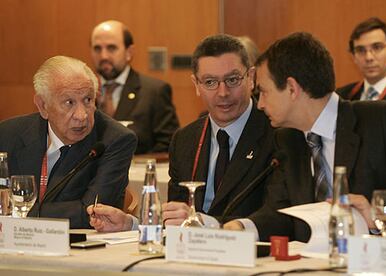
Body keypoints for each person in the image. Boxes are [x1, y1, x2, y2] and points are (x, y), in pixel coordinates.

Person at [224, 32, 386, 241]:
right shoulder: (288, 140)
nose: (259, 104)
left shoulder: (380, 121)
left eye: (263, 92)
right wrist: (241, 227)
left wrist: (378, 217)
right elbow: (281, 213)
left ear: (292, 88)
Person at [87, 34, 276, 232]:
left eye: (232, 79)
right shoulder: (185, 140)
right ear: (196, 84)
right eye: (210, 82)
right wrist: (130, 224)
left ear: (251, 78)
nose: (223, 92)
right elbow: (175, 218)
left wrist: (210, 224)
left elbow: (276, 217)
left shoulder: (277, 136)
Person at [0, 56, 137, 228]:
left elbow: (90, 214)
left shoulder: (115, 140)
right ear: (43, 106)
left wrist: (15, 212)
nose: (82, 116)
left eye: (88, 100)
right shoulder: (7, 134)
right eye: (69, 102)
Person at [90, 20, 179, 154]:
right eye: (97, 48)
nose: (104, 56)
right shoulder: (84, 92)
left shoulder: (155, 91)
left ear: (129, 52)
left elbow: (169, 145)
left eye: (111, 48)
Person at [337, 17, 386, 111]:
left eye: (377, 47)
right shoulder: (341, 97)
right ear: (353, 57)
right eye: (361, 50)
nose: (369, 57)